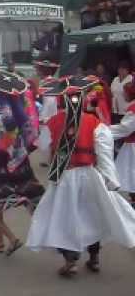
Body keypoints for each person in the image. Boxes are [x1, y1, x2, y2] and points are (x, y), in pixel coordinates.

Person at [27, 76, 135, 278]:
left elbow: (43, 147)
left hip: (65, 177)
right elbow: (104, 154)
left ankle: (71, 261)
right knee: (92, 214)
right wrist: (110, 179)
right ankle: (93, 258)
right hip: (89, 176)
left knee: (66, 217)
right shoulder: (94, 122)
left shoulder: (54, 122)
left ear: (62, 100)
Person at [0, 69, 44, 256]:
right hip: (19, 157)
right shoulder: (21, 103)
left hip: (1, 159)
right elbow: (26, 129)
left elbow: (8, 126)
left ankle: (11, 238)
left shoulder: (4, 105)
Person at [111, 81, 135, 206]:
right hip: (131, 145)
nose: (123, 94)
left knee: (130, 174)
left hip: (132, 147)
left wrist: (103, 131)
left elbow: (125, 128)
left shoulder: (133, 109)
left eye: (125, 92)